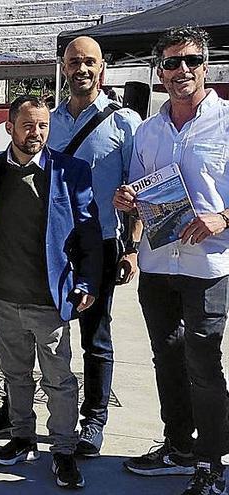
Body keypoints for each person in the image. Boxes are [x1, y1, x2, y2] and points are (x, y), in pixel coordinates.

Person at [0, 37, 142, 459]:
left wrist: (133, 245)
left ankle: (93, 421)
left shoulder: (125, 123)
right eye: (73, 62)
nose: (81, 69)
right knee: (26, 343)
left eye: (89, 62)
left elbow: (141, 188)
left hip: (98, 241)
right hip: (45, 248)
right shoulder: (49, 116)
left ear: (102, 68)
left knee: (94, 341)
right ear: (63, 68)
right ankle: (15, 413)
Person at [114, 26, 229, 495]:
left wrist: (223, 217)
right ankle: (178, 447)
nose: (182, 70)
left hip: (207, 268)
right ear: (159, 71)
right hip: (158, 264)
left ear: (207, 65)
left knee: (203, 366)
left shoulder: (226, 122)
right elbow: (143, 195)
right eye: (172, 62)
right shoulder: (148, 130)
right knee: (166, 360)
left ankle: (212, 461)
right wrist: (129, 202)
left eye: (192, 60)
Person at [0, 95, 102, 489]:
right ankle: (22, 438)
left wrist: (86, 282)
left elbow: (89, 232)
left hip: (49, 298)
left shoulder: (70, 172)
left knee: (59, 380)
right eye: (28, 125)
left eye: (43, 126)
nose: (36, 133)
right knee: (15, 375)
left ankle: (63, 451)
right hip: (1, 295)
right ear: (10, 127)